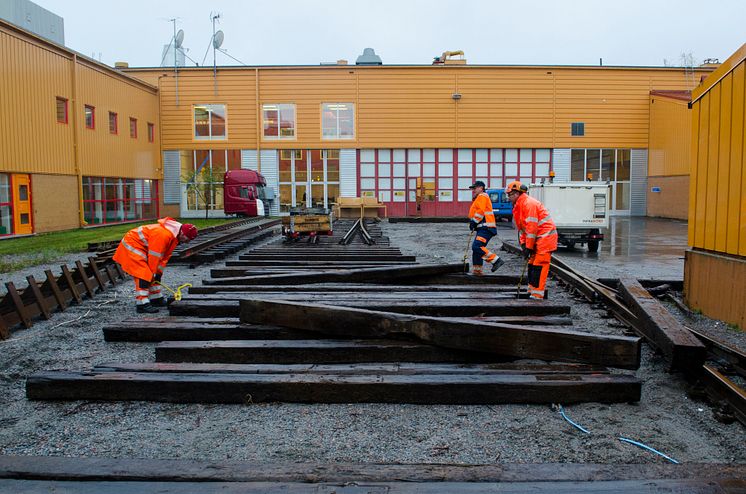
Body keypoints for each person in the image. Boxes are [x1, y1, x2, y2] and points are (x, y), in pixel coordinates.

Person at [112, 217, 198, 313]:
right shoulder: (163, 235)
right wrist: (153, 272)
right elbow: (154, 256)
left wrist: (158, 273)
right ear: (182, 233)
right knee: (144, 274)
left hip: (139, 246)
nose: (187, 242)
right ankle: (142, 304)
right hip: (132, 245)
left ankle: (156, 298)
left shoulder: (173, 236)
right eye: (187, 239)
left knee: (154, 276)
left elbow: (164, 257)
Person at [505, 181, 557, 299]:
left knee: (539, 264)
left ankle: (537, 294)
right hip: (537, 238)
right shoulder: (519, 207)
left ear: (517, 193)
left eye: (510, 194)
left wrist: (528, 246)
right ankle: (532, 290)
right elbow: (523, 229)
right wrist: (524, 245)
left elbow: (532, 228)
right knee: (532, 264)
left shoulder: (529, 204)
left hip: (545, 237)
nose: (509, 197)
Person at [467, 181, 504, 276]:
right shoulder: (480, 197)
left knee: (476, 246)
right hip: (483, 228)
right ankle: (477, 271)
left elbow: (480, 210)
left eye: (475, 188)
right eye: (473, 189)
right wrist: (474, 223)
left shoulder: (482, 196)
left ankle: (496, 260)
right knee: (477, 249)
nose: (473, 190)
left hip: (486, 228)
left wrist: (474, 221)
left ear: (481, 188)